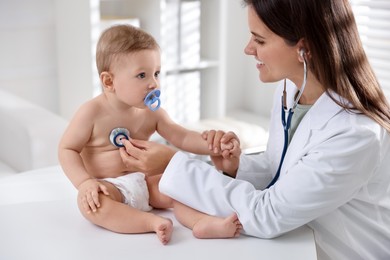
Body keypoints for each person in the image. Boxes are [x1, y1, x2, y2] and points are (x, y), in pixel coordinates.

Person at [118, 0, 390, 259]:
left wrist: (172, 163)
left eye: (259, 40)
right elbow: (280, 168)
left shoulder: (355, 133)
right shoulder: (291, 90)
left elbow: (268, 214)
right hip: (297, 240)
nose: (248, 49)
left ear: (303, 49)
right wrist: (237, 167)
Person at [58, 24, 242, 245]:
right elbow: (67, 149)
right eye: (142, 75)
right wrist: (84, 182)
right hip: (109, 186)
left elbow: (182, 137)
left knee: (180, 187)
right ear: (109, 81)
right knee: (93, 205)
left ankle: (201, 223)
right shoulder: (92, 112)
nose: (153, 83)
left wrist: (215, 144)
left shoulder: (151, 114)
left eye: (156, 73)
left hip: (147, 183)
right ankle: (150, 222)